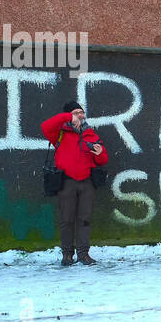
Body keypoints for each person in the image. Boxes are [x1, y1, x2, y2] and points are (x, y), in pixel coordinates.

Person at [42, 100, 109, 266]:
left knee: (85, 219)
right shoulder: (59, 132)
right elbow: (45, 126)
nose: (81, 115)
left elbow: (103, 160)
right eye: (76, 112)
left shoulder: (90, 134)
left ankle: (83, 254)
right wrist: (68, 117)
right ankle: (67, 254)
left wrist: (100, 153)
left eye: (81, 112)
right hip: (66, 182)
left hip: (87, 183)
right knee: (66, 219)